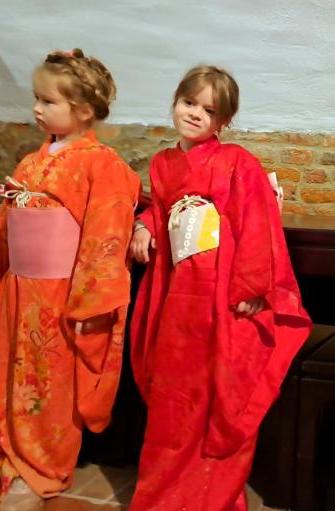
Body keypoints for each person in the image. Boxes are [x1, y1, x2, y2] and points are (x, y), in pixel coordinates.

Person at [128, 65, 311, 511]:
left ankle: (211, 492)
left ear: (223, 121)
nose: (195, 114)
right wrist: (144, 224)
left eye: (209, 110)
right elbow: (162, 208)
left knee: (220, 387)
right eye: (189, 102)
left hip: (221, 292)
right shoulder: (163, 163)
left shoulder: (237, 162)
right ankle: (163, 492)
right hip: (177, 295)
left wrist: (252, 286)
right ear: (175, 102)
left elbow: (258, 221)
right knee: (174, 390)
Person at [0, 48, 140, 510]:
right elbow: (5, 231)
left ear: (83, 110)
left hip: (62, 293)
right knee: (10, 376)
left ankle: (41, 464)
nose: (37, 109)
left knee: (51, 382)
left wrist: (88, 302)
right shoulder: (30, 163)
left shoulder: (102, 164)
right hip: (19, 290)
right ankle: (6, 451)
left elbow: (105, 236)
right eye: (36, 99)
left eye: (48, 101)